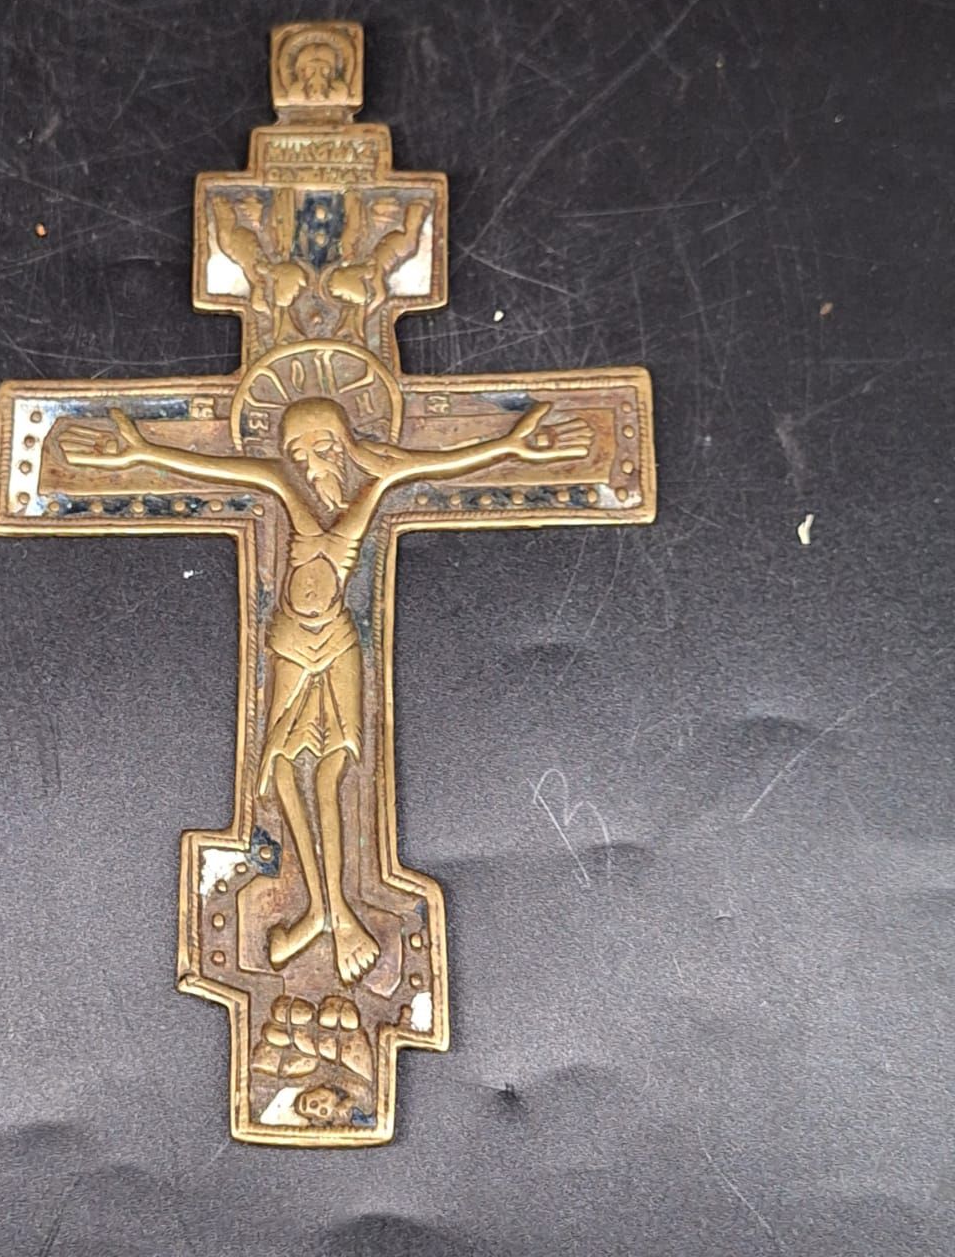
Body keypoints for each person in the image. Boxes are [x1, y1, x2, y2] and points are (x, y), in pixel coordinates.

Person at [58, 396, 592, 983]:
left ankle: (324, 914)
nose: (308, 462)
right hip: (290, 643)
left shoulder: (378, 481)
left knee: (332, 771)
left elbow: (440, 462)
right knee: (282, 768)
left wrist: (509, 444)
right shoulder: (285, 489)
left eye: (320, 447)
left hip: (337, 644)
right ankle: (330, 913)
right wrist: (143, 451)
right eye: (296, 451)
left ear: (343, 444)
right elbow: (221, 466)